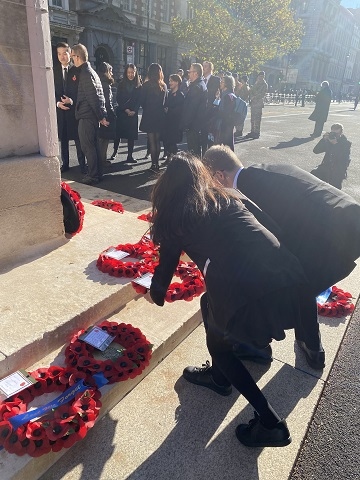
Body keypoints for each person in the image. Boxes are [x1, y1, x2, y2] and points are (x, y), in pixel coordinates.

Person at [149, 152, 311, 447]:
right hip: (290, 279)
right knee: (208, 305)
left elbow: (165, 268)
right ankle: (222, 375)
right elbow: (272, 228)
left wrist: (155, 295)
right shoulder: (230, 196)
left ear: (166, 187)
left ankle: (270, 423)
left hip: (248, 291)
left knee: (219, 345)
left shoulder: (178, 216)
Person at [203, 144, 360, 369]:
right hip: (343, 222)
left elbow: (268, 239)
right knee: (301, 283)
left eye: (212, 182)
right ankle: (311, 347)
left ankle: (258, 345)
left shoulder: (250, 188)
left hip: (334, 237)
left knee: (284, 282)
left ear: (220, 175)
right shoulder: (262, 171)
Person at [71, 43, 108, 185]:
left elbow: (93, 97)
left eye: (72, 56)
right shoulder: (91, 72)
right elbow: (99, 96)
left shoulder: (85, 73)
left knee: (88, 147)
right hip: (91, 115)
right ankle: (98, 173)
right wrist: (101, 115)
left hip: (87, 116)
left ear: (77, 56)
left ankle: (93, 175)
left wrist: (100, 116)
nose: (72, 59)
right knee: (94, 146)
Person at [54, 42, 86, 174]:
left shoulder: (76, 70)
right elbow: (50, 90)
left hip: (74, 111)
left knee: (78, 139)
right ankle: (65, 163)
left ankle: (82, 164)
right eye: (59, 54)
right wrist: (57, 103)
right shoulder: (53, 71)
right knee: (64, 139)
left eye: (65, 53)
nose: (62, 56)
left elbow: (81, 91)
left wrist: (71, 100)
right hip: (61, 111)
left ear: (70, 54)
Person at [139, 63, 167, 173]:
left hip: (149, 115)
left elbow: (142, 101)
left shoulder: (146, 85)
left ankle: (154, 164)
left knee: (152, 141)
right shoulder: (163, 85)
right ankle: (157, 165)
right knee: (157, 141)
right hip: (160, 116)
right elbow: (165, 102)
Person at [111, 63, 142, 163]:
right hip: (122, 112)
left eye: (132, 72)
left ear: (135, 73)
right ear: (126, 73)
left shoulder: (138, 85)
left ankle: (130, 156)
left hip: (133, 113)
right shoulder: (121, 84)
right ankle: (115, 152)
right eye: (129, 72)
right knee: (118, 134)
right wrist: (126, 109)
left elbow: (139, 100)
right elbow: (118, 98)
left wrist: (134, 110)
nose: (131, 74)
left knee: (131, 136)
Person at [311, 123, 351, 190]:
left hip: (338, 169)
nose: (335, 136)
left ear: (341, 133)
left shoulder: (346, 143)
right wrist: (323, 140)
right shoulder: (329, 140)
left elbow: (341, 158)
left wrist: (335, 145)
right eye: (333, 133)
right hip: (326, 166)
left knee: (335, 189)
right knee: (313, 177)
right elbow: (316, 151)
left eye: (337, 134)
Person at [180, 63, 207, 157]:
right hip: (196, 124)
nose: (188, 74)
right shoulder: (199, 84)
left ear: (195, 73)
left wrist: (185, 124)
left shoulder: (197, 87)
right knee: (195, 152)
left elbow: (191, 108)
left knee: (194, 152)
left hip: (193, 125)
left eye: (190, 72)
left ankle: (196, 171)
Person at [162, 74, 185, 162]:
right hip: (167, 122)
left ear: (177, 82)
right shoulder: (169, 93)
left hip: (175, 123)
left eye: (171, 81)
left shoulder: (180, 95)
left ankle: (173, 159)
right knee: (167, 141)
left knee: (172, 142)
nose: (169, 83)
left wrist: (169, 110)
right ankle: (168, 157)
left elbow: (179, 109)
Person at [97, 62, 116, 166]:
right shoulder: (106, 85)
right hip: (106, 114)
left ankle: (101, 159)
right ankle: (102, 160)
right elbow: (108, 102)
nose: (112, 74)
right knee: (104, 139)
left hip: (100, 114)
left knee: (101, 138)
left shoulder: (98, 82)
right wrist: (111, 114)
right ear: (107, 71)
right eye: (111, 71)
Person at [201, 61, 221, 152]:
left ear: (210, 68)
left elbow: (219, 94)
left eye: (205, 66)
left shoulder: (216, 80)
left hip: (211, 111)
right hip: (201, 111)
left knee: (210, 137)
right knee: (202, 137)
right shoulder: (201, 79)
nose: (203, 68)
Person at [215, 75, 236, 151]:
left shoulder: (228, 96)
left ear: (227, 84)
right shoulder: (225, 94)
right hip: (226, 125)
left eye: (222, 82)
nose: (220, 83)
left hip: (225, 125)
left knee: (228, 147)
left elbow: (226, 112)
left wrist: (216, 112)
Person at [243, 71, 268, 139]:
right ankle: (252, 131)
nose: (261, 78)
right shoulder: (256, 83)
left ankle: (256, 133)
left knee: (257, 119)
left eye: (262, 76)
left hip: (258, 103)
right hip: (253, 103)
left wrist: (254, 96)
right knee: (253, 118)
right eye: (260, 76)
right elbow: (251, 91)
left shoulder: (264, 84)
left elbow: (262, 93)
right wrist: (251, 96)